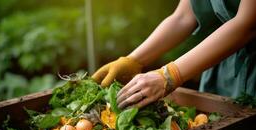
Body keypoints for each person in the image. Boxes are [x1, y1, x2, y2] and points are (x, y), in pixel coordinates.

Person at [92, 0, 256, 109]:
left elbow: (247, 24)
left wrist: (169, 76)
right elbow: (183, 17)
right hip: (223, 63)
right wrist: (133, 61)